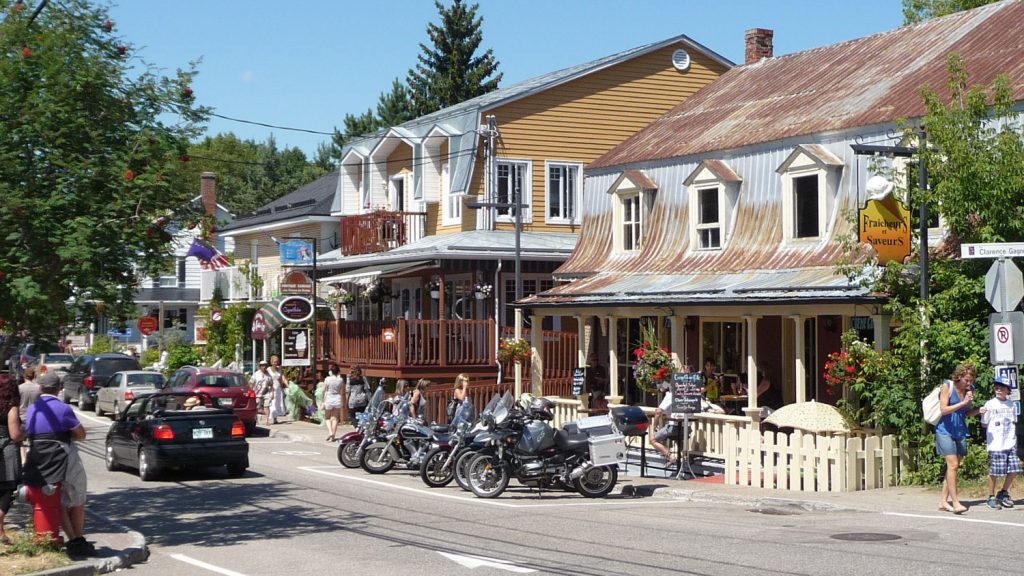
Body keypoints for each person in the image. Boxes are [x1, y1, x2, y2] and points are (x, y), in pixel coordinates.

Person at [23, 372, 93, 556]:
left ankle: (71, 537)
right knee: (78, 497)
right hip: (63, 455)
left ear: (40, 388)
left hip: (39, 459)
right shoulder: (63, 409)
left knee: (56, 498)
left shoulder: (33, 409)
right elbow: (80, 434)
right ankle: (78, 538)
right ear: (59, 388)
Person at [936, 362, 982, 514]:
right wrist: (963, 402)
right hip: (945, 430)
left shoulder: (970, 390)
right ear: (958, 377)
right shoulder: (947, 386)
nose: (969, 383)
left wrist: (977, 410)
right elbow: (943, 410)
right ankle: (955, 503)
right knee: (953, 465)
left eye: (971, 380)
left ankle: (943, 501)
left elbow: (964, 413)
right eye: (966, 380)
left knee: (953, 468)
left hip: (960, 430)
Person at [981, 378, 1018, 510]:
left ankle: (1003, 493)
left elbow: (1014, 421)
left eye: (1002, 387)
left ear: (1008, 390)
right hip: (996, 443)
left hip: (1011, 441)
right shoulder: (990, 404)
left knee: (1014, 469)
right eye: (997, 386)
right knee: (995, 471)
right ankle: (991, 497)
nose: (999, 389)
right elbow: (984, 424)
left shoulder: (1011, 404)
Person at [0, 374, 25, 544]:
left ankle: (1, 531)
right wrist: (26, 433)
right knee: (8, 489)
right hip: (5, 450)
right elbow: (15, 435)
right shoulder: (11, 407)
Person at [649, 383, 678, 465]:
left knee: (652, 439)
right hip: (687, 427)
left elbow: (658, 412)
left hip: (674, 427)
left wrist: (654, 425)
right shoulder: (688, 395)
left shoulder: (670, 395)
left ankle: (671, 457)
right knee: (677, 437)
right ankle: (681, 456)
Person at [18, 366, 40, 462]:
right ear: (34, 376)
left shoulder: (19, 388)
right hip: (35, 419)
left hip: (22, 418)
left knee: (21, 442)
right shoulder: (39, 388)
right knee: (33, 441)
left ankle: (23, 460)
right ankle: (31, 459)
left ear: (24, 376)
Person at [323, 368, 344, 441]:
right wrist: (342, 401)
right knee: (335, 418)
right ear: (338, 372)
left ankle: (330, 432)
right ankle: (333, 436)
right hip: (337, 398)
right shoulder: (340, 380)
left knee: (327, 417)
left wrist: (323, 401)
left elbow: (325, 390)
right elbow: (342, 391)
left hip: (329, 398)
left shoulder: (328, 379)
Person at [266, 355, 287, 425]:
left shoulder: (279, 369)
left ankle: (275, 418)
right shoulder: (268, 370)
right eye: (274, 362)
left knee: (278, 404)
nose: (276, 363)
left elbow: (282, 379)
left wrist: (288, 386)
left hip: (278, 389)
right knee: (272, 404)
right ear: (271, 362)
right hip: (271, 389)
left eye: (277, 362)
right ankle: (270, 418)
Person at [250, 360, 272, 424]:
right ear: (260, 366)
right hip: (257, 393)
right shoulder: (256, 374)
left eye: (265, 365)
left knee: (266, 406)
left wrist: (272, 393)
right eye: (262, 365)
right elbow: (251, 383)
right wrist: (251, 392)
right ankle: (256, 419)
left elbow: (271, 385)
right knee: (256, 407)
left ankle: (267, 420)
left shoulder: (268, 375)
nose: (264, 367)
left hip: (266, 393)